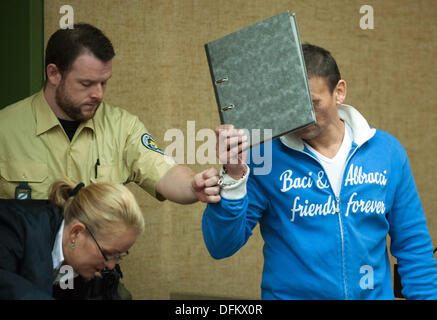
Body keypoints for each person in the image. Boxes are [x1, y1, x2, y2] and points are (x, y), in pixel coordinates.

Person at [202, 43, 437, 299]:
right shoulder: (263, 156)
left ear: (339, 92)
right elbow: (220, 245)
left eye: (312, 103)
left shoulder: (387, 152)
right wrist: (234, 176)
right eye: (289, 103)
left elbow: (414, 248)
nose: (300, 115)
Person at [0, 23, 219, 203]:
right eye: (86, 83)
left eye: (104, 83)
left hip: (101, 257)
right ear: (54, 74)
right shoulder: (5, 129)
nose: (98, 94)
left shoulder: (123, 126)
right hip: (25, 257)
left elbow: (163, 172)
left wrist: (192, 186)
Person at [0, 178, 145, 300]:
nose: (111, 266)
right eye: (107, 254)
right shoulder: (12, 228)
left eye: (118, 256)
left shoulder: (76, 262)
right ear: (76, 232)